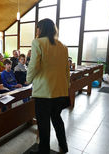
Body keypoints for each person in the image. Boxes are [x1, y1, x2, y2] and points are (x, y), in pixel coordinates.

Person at [27, 18, 70, 154]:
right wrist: (66, 86)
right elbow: (66, 70)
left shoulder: (38, 43)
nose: (36, 31)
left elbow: (34, 65)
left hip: (44, 92)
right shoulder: (63, 46)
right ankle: (64, 146)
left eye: (37, 28)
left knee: (43, 124)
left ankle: (43, 151)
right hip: (60, 91)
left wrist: (28, 80)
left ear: (41, 29)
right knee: (57, 119)